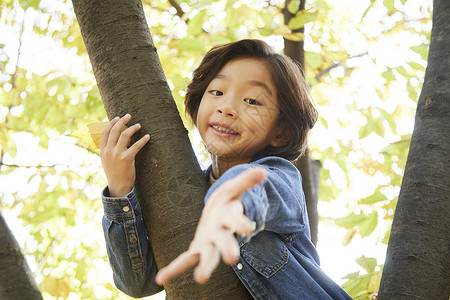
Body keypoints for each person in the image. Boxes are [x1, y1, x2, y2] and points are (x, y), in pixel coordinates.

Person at [100, 39, 352, 299]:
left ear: (281, 131)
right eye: (217, 92)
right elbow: (137, 283)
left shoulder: (280, 177)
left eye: (252, 101)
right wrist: (120, 190)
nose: (227, 107)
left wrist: (231, 200)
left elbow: (264, 191)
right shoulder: (186, 201)